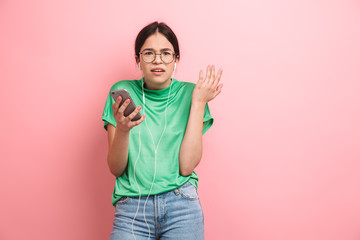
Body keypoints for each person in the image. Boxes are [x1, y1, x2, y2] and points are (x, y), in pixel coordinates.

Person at [102, 21, 223, 240]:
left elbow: (186, 167)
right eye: (148, 53)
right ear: (138, 59)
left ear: (176, 59)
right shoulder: (123, 92)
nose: (158, 60)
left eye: (166, 53)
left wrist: (197, 103)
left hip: (182, 206)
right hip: (132, 208)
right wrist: (122, 129)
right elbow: (116, 168)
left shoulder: (192, 93)